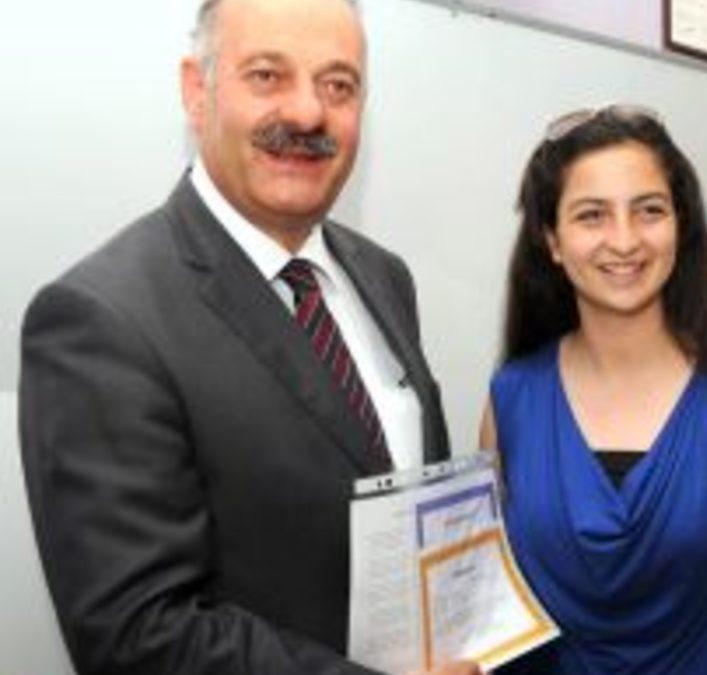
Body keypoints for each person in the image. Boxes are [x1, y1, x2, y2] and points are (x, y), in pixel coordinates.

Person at [19, 0, 476, 673]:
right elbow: (138, 637)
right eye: (267, 75)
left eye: (338, 85)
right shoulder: (100, 319)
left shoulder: (384, 277)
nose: (308, 113)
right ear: (195, 90)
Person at [479, 106, 707, 674]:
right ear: (552, 240)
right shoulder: (510, 400)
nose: (625, 240)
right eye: (592, 216)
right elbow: (490, 615)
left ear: (680, 225)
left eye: (649, 210)